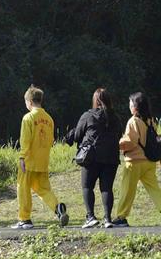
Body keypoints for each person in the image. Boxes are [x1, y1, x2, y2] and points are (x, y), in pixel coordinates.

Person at [63, 88, 122, 228]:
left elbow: (77, 135)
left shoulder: (88, 115)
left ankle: (91, 217)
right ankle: (107, 219)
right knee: (107, 188)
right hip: (111, 157)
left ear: (95, 101)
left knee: (87, 186)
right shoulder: (116, 117)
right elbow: (119, 134)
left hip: (92, 157)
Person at [12, 86, 68, 229]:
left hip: (29, 160)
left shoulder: (28, 117)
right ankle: (58, 208)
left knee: (23, 189)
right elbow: (51, 140)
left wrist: (22, 157)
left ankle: (24, 219)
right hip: (43, 161)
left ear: (29, 101)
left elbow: (26, 140)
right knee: (44, 189)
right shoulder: (49, 118)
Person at [112, 92, 161, 226]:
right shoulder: (151, 120)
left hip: (134, 162)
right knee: (155, 189)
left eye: (130, 103)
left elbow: (130, 141)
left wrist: (116, 143)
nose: (129, 105)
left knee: (127, 190)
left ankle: (121, 217)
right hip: (149, 162)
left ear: (136, 107)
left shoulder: (133, 121)